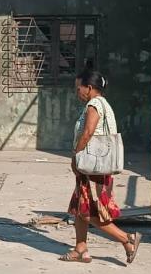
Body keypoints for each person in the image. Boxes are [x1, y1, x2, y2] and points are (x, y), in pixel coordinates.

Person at [59, 68, 142, 264]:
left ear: (89, 88)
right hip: (95, 167)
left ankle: (127, 239)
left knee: (90, 211)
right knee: (82, 208)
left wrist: (76, 156)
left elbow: (88, 133)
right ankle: (81, 249)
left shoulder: (94, 105)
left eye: (78, 88)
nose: (76, 92)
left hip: (92, 168)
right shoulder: (103, 104)